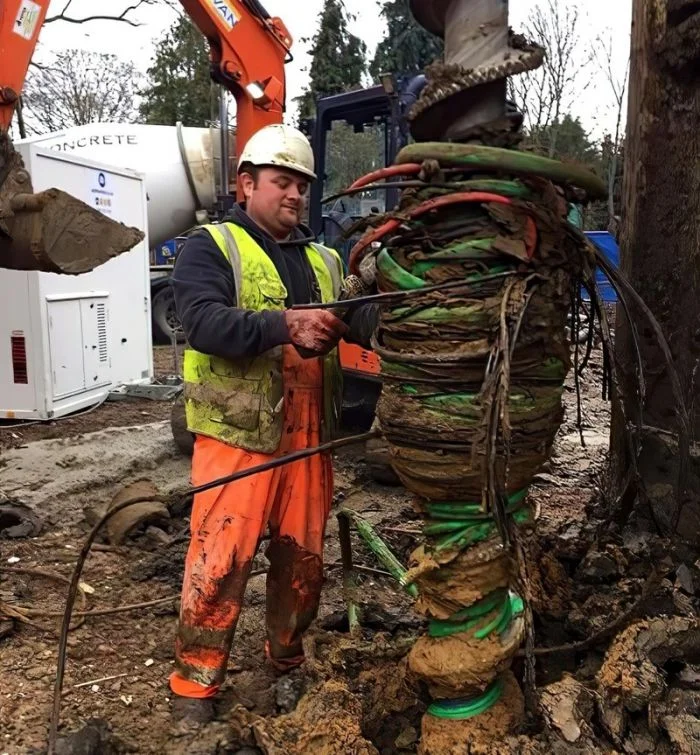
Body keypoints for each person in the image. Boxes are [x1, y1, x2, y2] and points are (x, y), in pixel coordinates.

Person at [168, 123, 375, 722]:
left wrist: (392, 311)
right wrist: (286, 325)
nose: (295, 195)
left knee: (302, 560)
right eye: (282, 182)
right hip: (238, 437)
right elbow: (205, 323)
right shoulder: (211, 248)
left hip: (310, 435)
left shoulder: (326, 259)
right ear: (246, 184)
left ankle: (286, 659)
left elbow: (358, 319)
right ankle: (195, 687)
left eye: (302, 186)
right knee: (220, 559)